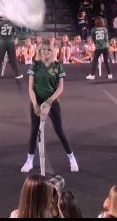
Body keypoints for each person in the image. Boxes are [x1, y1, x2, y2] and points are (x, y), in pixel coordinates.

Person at [21, 43, 78, 173]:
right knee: (34, 132)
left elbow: (60, 88)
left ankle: (72, 159)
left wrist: (50, 101)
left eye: (48, 49)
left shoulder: (57, 66)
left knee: (59, 131)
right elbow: (30, 88)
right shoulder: (35, 65)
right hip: (37, 101)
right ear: (40, 51)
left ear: (52, 51)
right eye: (44, 50)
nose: (46, 52)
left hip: (52, 102)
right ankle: (29, 161)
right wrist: (35, 104)